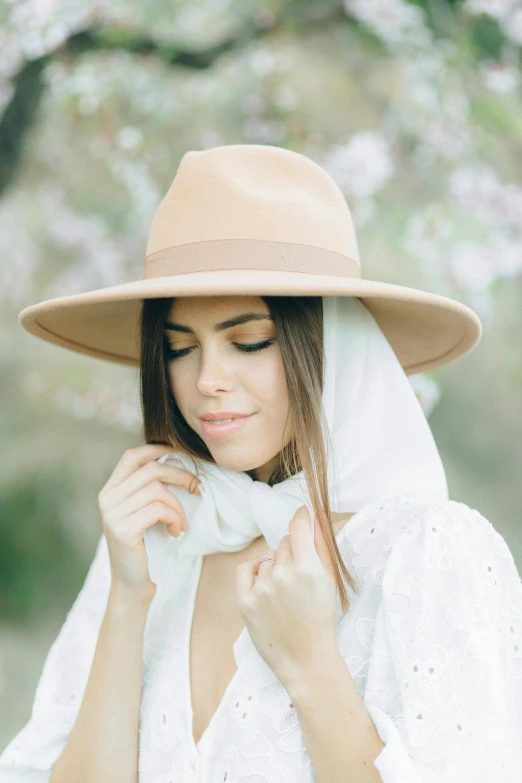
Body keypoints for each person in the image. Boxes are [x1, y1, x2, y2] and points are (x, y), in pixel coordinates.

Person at [1, 144, 521, 783]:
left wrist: (310, 664)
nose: (206, 381)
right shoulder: (163, 539)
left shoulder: (429, 553)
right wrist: (129, 598)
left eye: (248, 342)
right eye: (179, 349)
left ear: (330, 347)